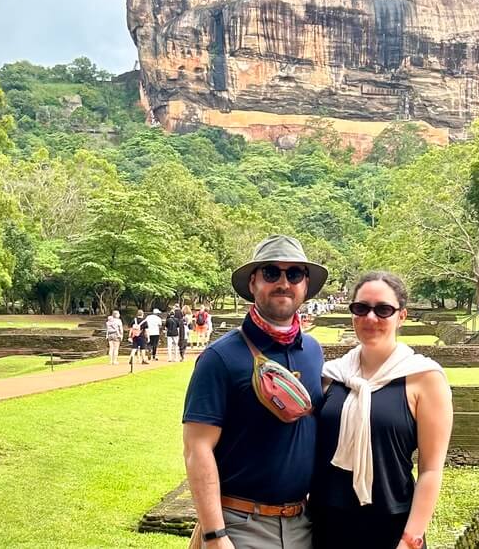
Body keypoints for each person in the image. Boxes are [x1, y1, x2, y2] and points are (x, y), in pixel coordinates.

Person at [183, 235, 328, 549]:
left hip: (302, 524)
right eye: (271, 273)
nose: (283, 282)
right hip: (240, 524)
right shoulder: (221, 358)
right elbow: (197, 449)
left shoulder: (313, 352)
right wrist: (215, 535)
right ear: (252, 283)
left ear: (305, 285)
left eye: (294, 274)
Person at [310, 271, 453, 549]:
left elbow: (431, 470)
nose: (370, 318)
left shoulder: (424, 379)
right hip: (327, 527)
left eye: (383, 310)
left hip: (391, 528)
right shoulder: (331, 376)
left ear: (402, 315)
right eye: (361, 308)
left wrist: (410, 540)